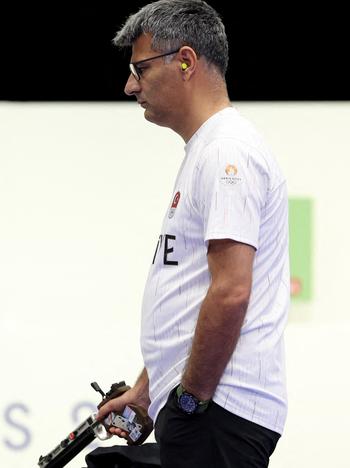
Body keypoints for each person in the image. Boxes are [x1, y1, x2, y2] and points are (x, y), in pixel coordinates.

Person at [95, 1, 289, 467]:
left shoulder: (227, 152)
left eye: (139, 69)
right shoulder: (209, 149)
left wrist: (189, 398)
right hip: (205, 411)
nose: (130, 86)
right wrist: (147, 390)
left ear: (185, 61)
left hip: (216, 412)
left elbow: (230, 292)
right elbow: (193, 295)